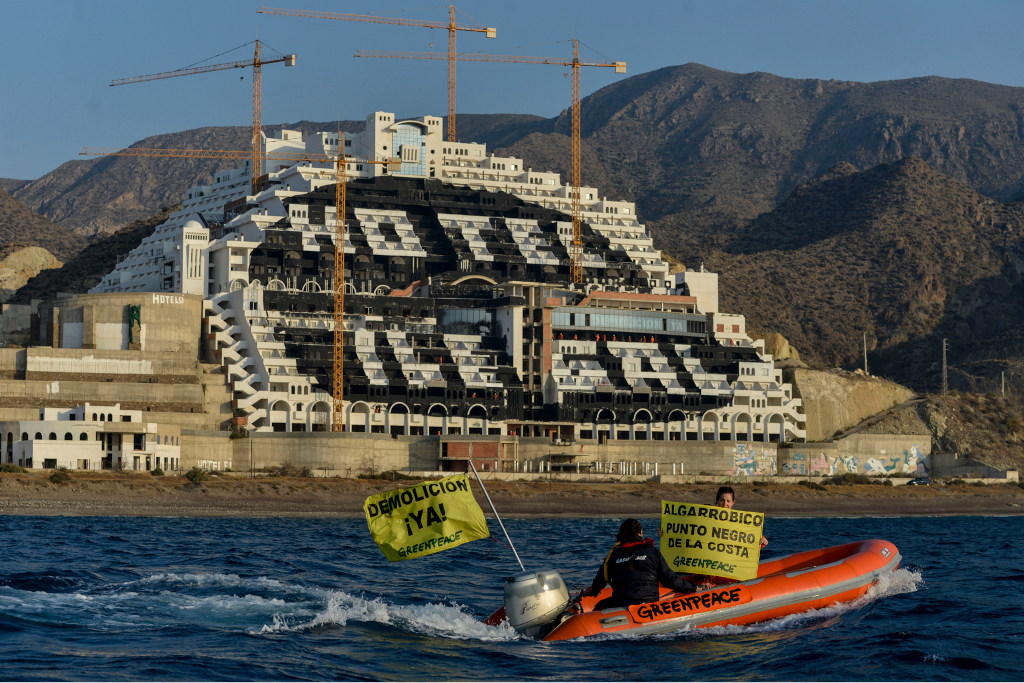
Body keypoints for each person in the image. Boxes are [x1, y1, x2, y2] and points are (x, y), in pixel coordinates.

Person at [587, 518, 696, 609]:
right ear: (640, 533)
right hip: (649, 603)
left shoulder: (613, 555)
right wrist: (693, 588)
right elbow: (669, 580)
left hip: (622, 603)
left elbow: (600, 581)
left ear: (620, 536)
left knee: (599, 606)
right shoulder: (652, 552)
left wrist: (592, 592)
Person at [694, 486, 768, 589]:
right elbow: (687, 528)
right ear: (717, 500)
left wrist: (762, 541)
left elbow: (749, 539)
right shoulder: (705, 515)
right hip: (707, 575)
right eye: (722, 500)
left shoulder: (738, 522)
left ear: (733, 502)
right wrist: (665, 531)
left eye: (728, 501)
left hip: (727, 574)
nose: (725, 504)